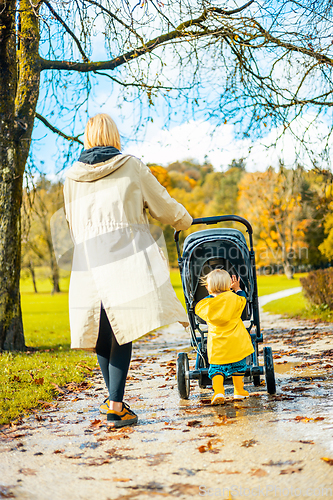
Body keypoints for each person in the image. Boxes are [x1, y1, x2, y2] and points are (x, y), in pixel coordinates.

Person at [63, 113, 192, 427]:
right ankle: (116, 405)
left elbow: (71, 222)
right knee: (126, 328)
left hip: (88, 259)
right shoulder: (131, 165)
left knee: (102, 333)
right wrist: (184, 221)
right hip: (125, 254)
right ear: (114, 136)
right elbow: (161, 203)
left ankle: (114, 403)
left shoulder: (71, 177)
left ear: (88, 137)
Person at [195, 269, 254, 405]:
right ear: (229, 285)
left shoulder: (207, 305)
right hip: (236, 341)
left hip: (217, 343)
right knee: (239, 365)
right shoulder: (234, 298)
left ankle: (219, 391)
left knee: (216, 368)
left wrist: (210, 295)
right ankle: (239, 391)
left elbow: (199, 309)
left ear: (208, 287)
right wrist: (237, 288)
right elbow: (243, 299)